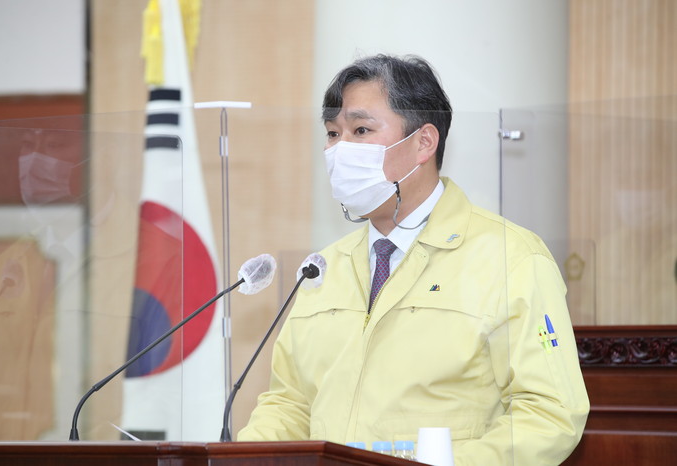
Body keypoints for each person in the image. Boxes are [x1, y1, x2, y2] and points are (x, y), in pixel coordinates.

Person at [238, 54, 589, 465]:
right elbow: (289, 404)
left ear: (424, 142)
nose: (339, 150)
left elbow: (550, 413)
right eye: (333, 134)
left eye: (361, 130)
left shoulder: (510, 258)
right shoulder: (322, 269)